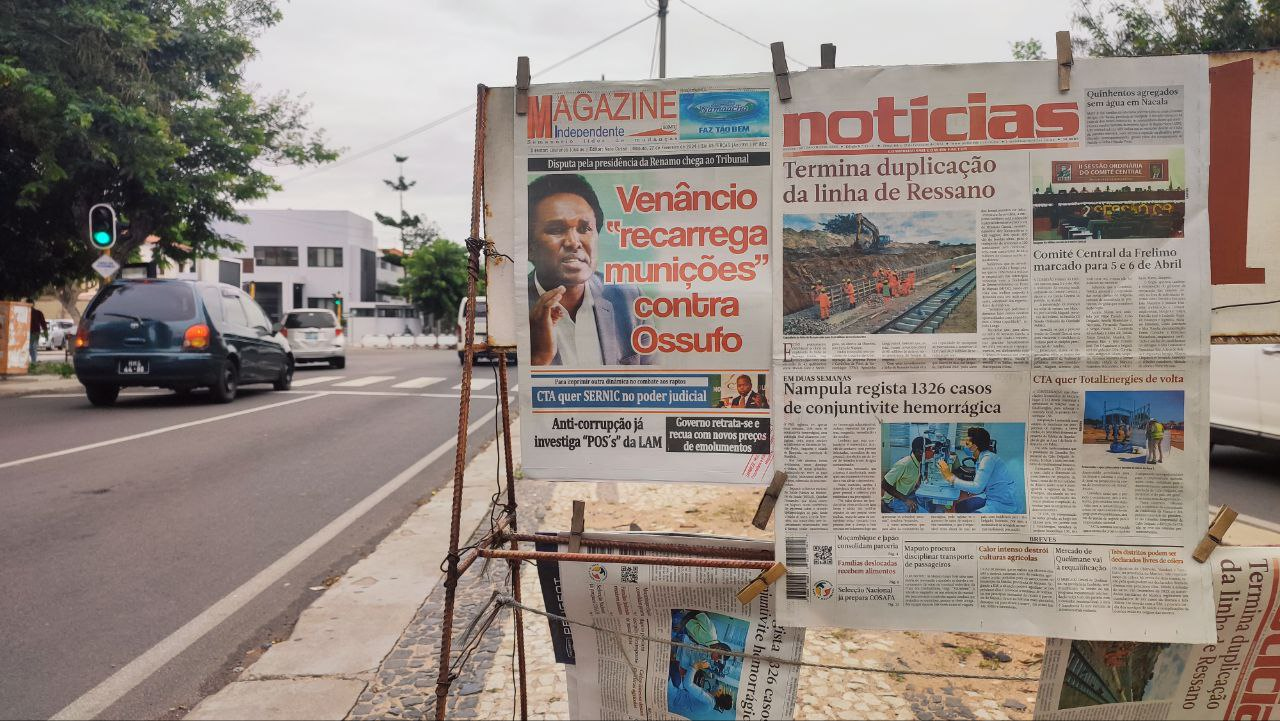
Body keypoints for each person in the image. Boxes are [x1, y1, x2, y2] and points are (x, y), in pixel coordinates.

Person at [527, 174, 653, 366]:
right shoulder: (513, 306)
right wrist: (538, 359)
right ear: (529, 247)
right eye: (556, 229)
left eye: (585, 228)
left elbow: (655, 378)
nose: (573, 242)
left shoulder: (628, 299)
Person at [937, 427, 1024, 514]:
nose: (964, 447)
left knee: (973, 519)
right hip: (991, 496)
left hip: (1003, 504)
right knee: (961, 506)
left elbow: (977, 487)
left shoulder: (988, 459)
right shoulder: (982, 458)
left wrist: (950, 477)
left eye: (967, 444)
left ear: (974, 447)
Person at [882, 437, 928, 513]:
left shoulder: (918, 461)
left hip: (907, 494)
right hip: (894, 500)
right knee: (925, 514)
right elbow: (884, 484)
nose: (932, 452)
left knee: (928, 502)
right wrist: (906, 500)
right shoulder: (904, 464)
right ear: (919, 451)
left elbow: (913, 477)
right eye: (929, 449)